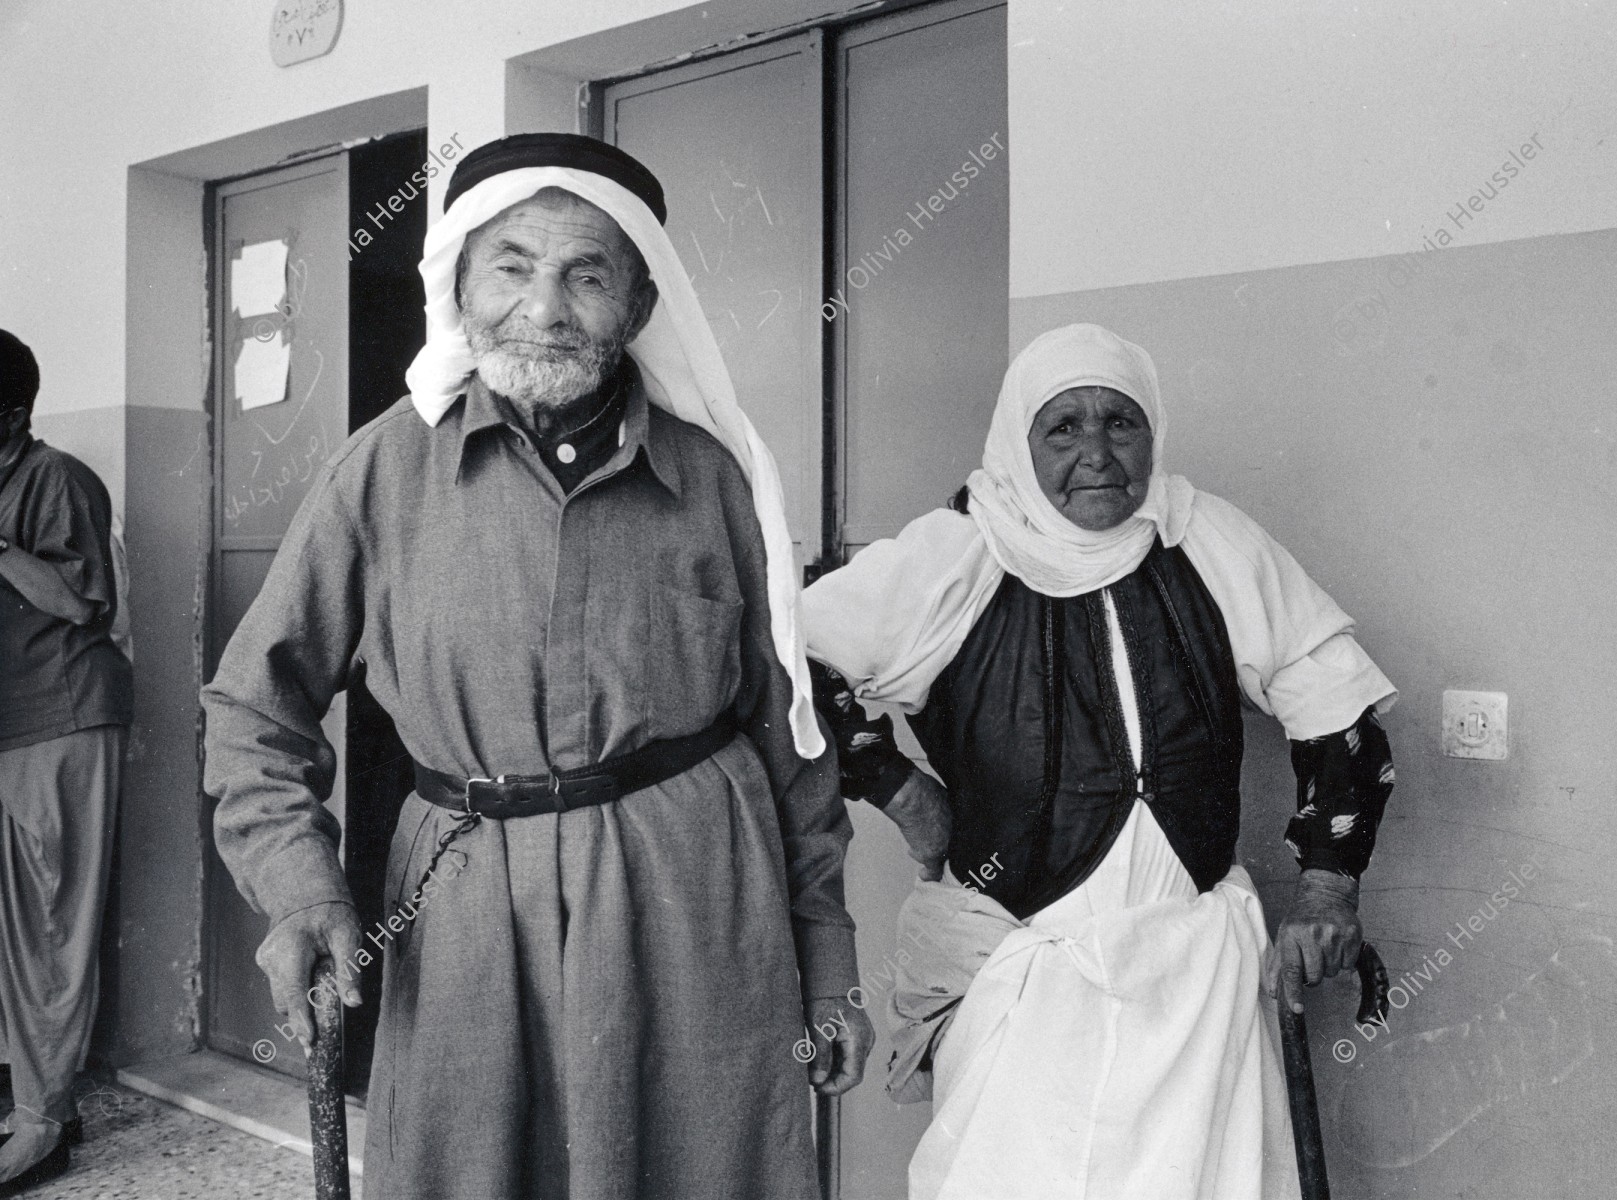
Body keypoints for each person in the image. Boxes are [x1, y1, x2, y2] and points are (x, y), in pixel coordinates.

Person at [201, 134, 872, 1200]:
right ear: (460, 284)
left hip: (693, 900)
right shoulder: (381, 470)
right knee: (471, 1169)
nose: (546, 306)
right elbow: (253, 704)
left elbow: (792, 742)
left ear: (640, 303)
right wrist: (298, 888)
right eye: (511, 266)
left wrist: (828, 966)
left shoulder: (719, 481)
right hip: (460, 909)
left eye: (588, 274)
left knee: (698, 1167)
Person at [804, 323, 1399, 1199]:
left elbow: (1340, 712)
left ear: (1152, 432)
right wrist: (901, 792)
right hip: (1023, 967)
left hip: (1195, 976)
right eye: (1063, 427)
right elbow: (788, 668)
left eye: (1120, 423)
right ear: (1019, 440)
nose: (1097, 453)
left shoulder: (1206, 539)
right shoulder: (957, 552)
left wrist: (1327, 888)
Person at [0, 328, 133, 1194]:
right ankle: (38, 1095)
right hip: (15, 726)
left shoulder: (57, 480)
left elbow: (81, 602)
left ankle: (45, 1123)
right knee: (16, 926)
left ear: (11, 415)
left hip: (64, 719)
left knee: (52, 923)